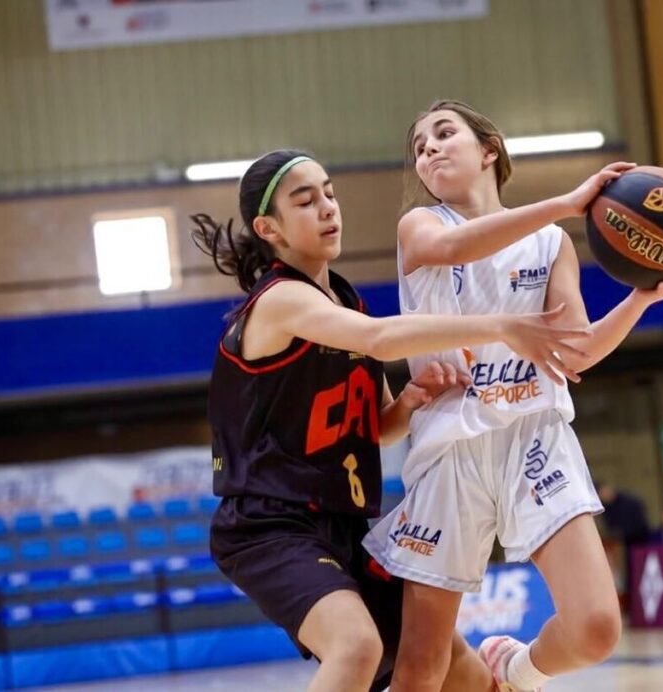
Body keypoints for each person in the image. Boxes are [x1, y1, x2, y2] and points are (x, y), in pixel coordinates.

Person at [193, 149, 592, 692]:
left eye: (330, 193)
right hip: (270, 525)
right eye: (306, 201)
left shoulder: (346, 301)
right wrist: (502, 325)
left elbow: (375, 428)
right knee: (356, 646)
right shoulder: (282, 300)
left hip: (343, 523)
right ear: (270, 229)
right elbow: (380, 337)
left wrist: (408, 402)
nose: (328, 207)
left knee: (450, 661)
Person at [362, 100, 663, 692]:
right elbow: (457, 251)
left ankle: (514, 673)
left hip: (535, 438)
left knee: (597, 628)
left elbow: (573, 353)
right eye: (420, 146)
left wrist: (643, 300)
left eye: (445, 134)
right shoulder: (421, 228)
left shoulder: (550, 245)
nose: (429, 150)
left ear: (488, 151)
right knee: (422, 667)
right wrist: (571, 202)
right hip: (451, 449)